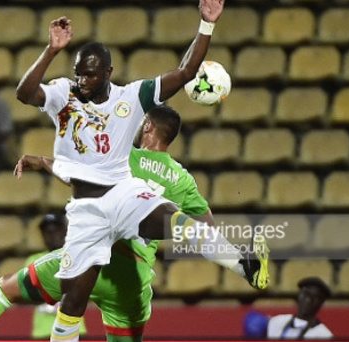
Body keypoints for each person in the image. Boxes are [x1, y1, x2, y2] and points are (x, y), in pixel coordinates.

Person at [0, 105, 264, 342]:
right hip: (135, 279)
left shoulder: (123, 156)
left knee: (4, 290)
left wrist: (41, 161)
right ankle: (242, 263)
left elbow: (78, 177)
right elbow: (206, 229)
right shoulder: (183, 180)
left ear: (148, 126)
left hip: (93, 256)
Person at [15, 1, 268, 341]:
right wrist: (50, 50)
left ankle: (244, 264)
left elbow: (184, 73)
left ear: (108, 72)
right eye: (78, 72)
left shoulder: (132, 98)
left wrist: (206, 25)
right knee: (72, 302)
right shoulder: (65, 95)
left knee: (175, 222)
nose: (82, 80)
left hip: (120, 198)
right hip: (90, 213)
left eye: (89, 73)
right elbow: (25, 93)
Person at [26, 213, 86, 339]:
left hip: (74, 328)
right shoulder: (33, 260)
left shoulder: (76, 256)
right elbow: (30, 290)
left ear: (65, 231)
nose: (51, 235)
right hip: (43, 331)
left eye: (56, 230)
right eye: (47, 232)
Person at [266, 277, 333, 340]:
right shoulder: (276, 322)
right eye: (305, 294)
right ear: (298, 295)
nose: (308, 300)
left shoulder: (323, 335)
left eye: (315, 297)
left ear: (321, 303)